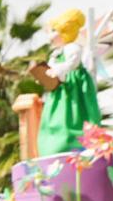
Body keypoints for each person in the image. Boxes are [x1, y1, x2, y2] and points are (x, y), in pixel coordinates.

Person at [30, 9, 104, 157]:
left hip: (74, 88)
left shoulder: (73, 48)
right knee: (55, 118)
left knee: (75, 116)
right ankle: (52, 146)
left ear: (65, 30)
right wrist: (44, 74)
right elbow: (53, 69)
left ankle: (80, 143)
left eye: (53, 31)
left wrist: (58, 70)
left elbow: (72, 64)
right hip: (59, 91)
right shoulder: (56, 53)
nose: (50, 37)